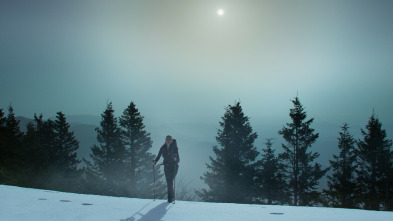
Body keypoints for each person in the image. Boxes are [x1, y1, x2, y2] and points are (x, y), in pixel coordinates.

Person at [152, 135, 180, 203]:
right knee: (169, 182)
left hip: (174, 167)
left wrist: (175, 159)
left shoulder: (174, 148)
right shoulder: (163, 147)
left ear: (171, 140)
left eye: (170, 139)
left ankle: (170, 198)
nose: (168, 140)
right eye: (167, 139)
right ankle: (171, 197)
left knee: (170, 181)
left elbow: (178, 159)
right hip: (167, 167)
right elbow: (158, 156)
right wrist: (155, 161)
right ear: (165, 140)